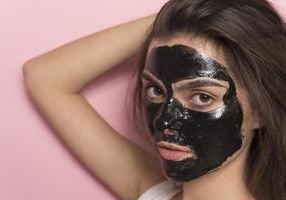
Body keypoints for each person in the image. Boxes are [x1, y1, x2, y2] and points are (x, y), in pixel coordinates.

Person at [23, 0, 286, 199]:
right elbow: (44, 77)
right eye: (156, 91)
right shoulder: (155, 192)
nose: (164, 122)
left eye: (202, 97)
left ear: (261, 110)